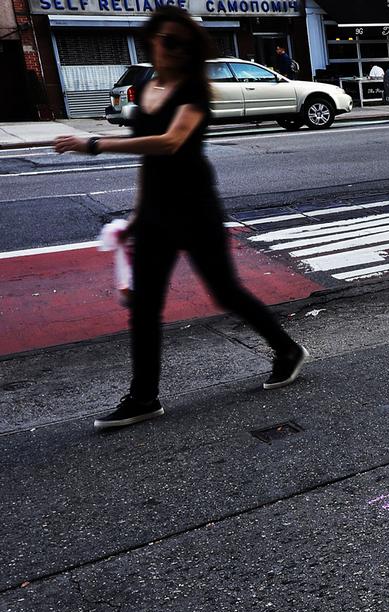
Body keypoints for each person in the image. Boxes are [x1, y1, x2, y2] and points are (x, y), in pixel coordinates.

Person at [54, 6, 308, 430]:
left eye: (180, 43)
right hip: (156, 211)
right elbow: (148, 161)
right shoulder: (148, 85)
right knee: (145, 305)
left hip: (195, 208)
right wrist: (136, 216)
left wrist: (94, 144)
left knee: (225, 291)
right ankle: (143, 397)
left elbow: (171, 143)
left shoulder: (194, 90)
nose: (171, 49)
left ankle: (286, 350)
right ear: (152, 40)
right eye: (165, 40)